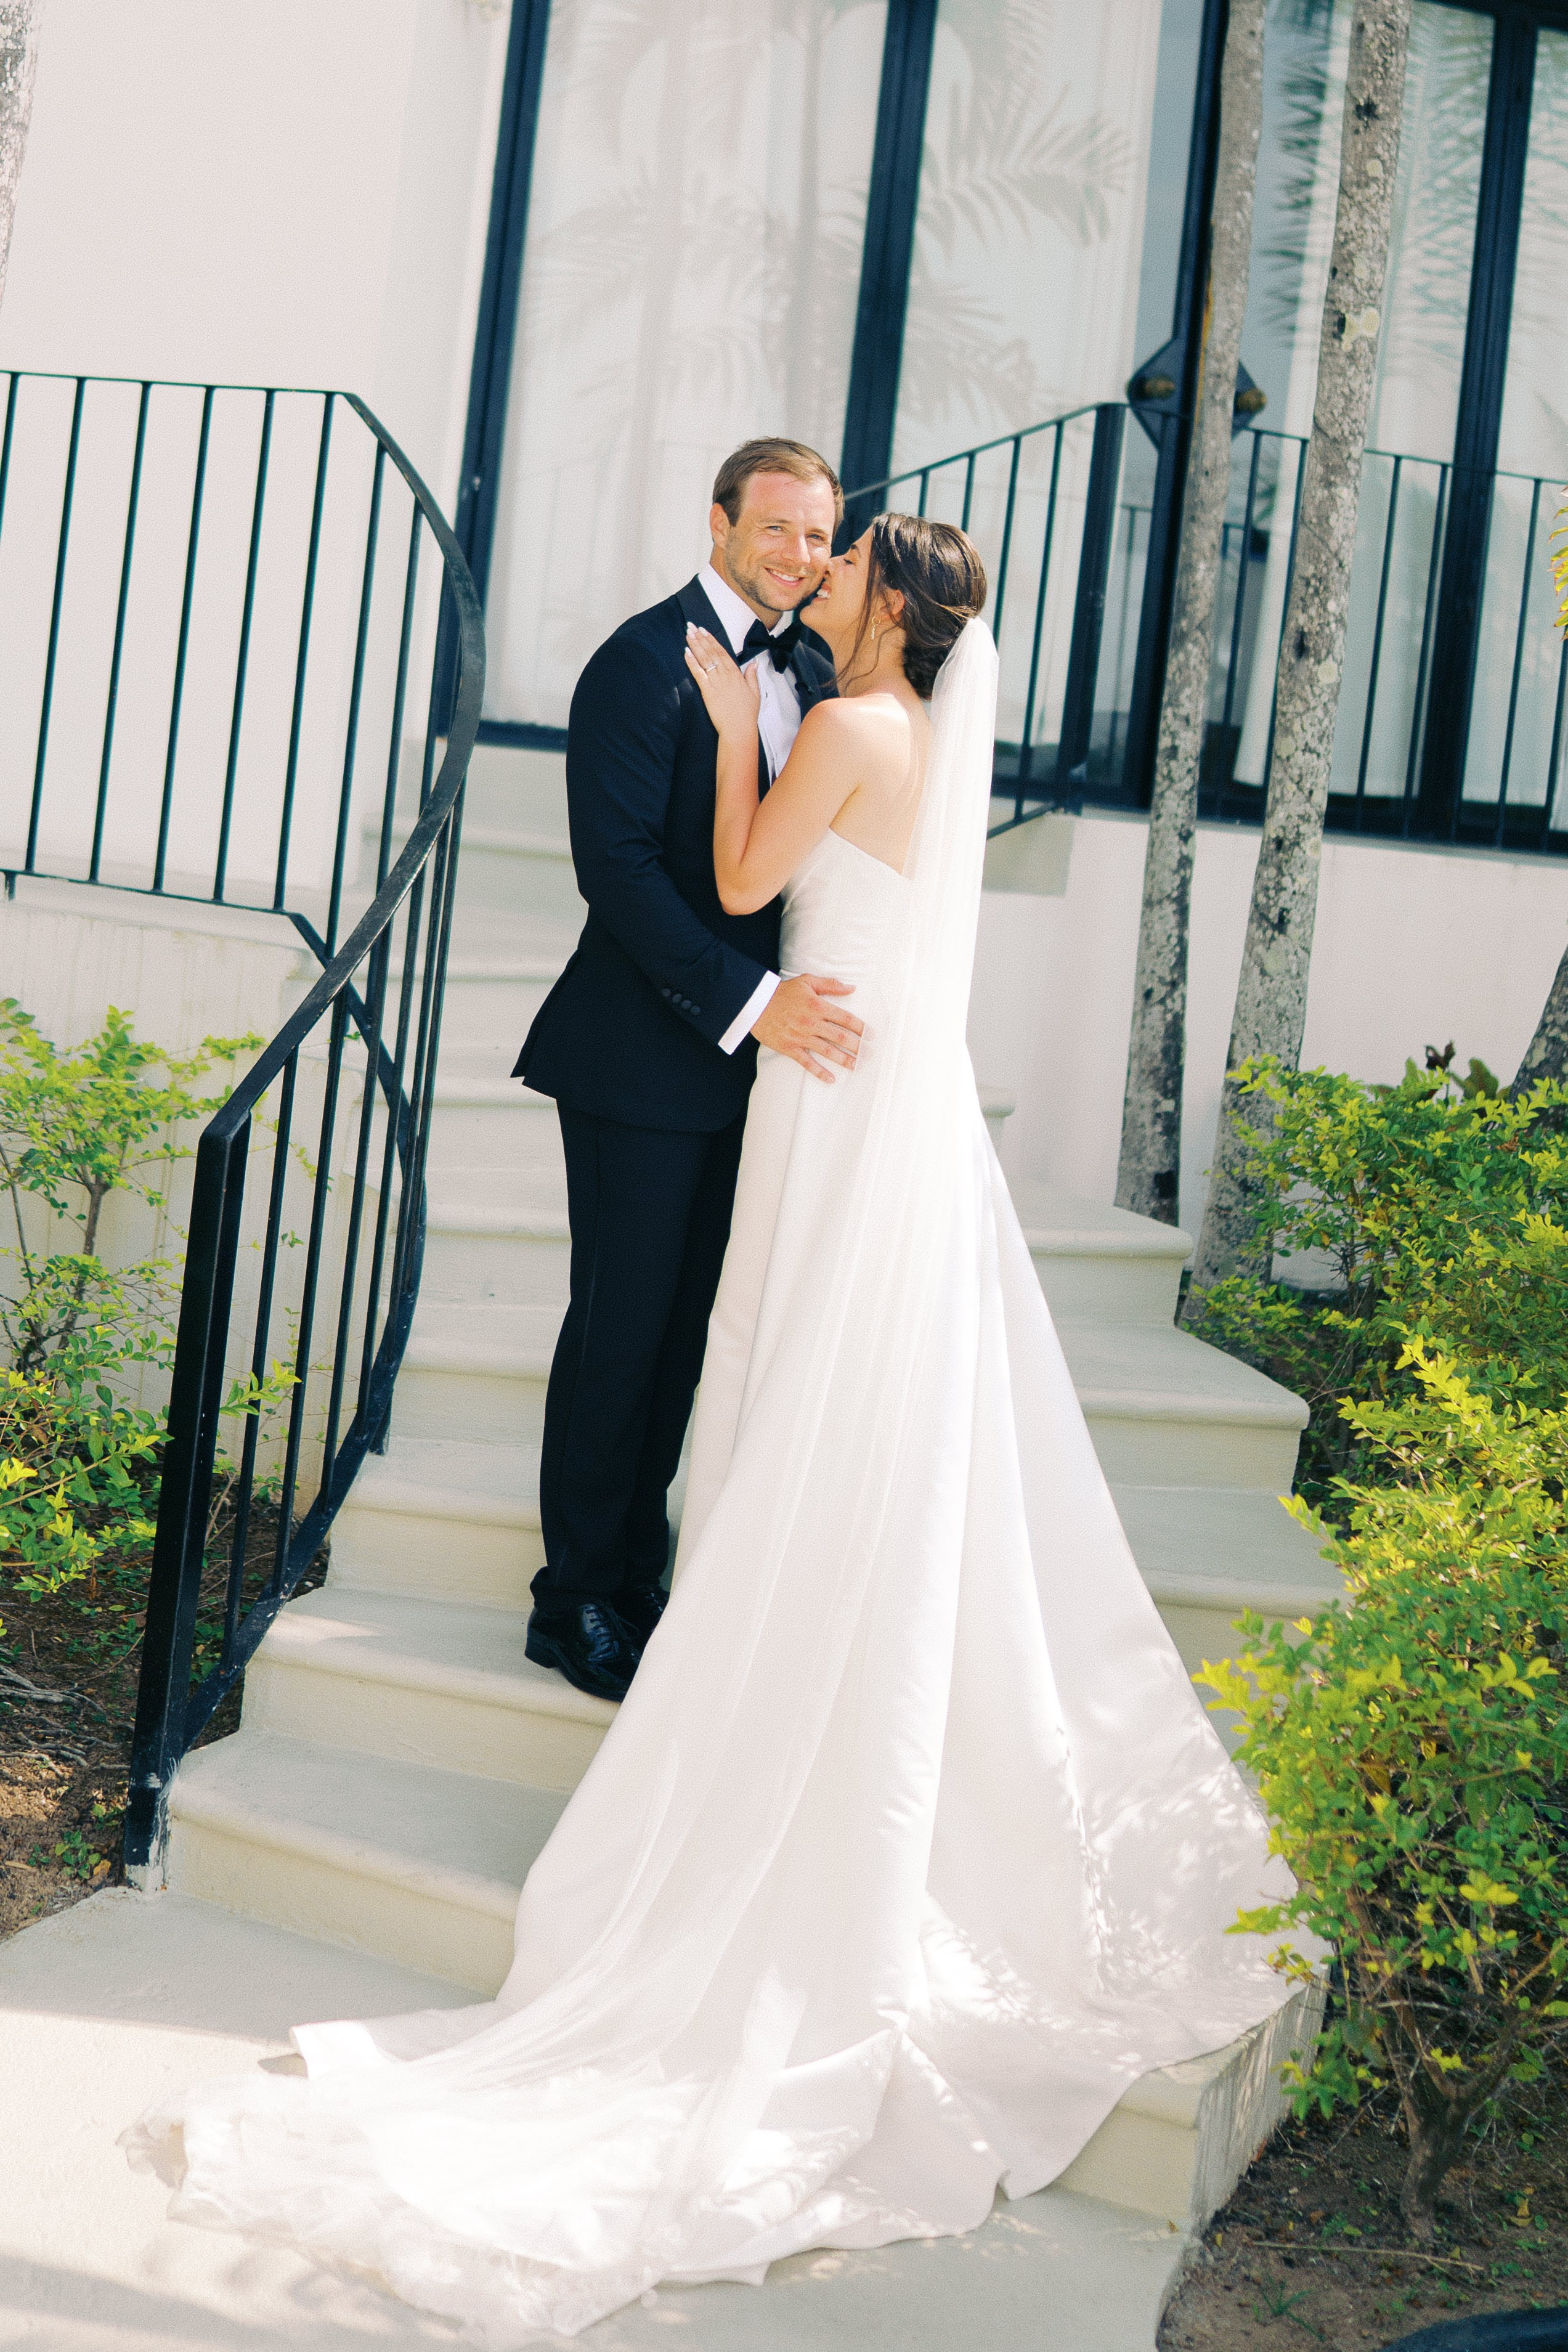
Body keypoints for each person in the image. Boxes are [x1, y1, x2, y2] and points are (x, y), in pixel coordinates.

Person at [128, 513, 1298, 2347]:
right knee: (827, 1373)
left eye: (839, 565)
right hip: (874, 1088)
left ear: (890, 604)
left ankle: (753, 1629)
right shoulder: (911, 732)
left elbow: (750, 868)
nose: (810, 576)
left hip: (825, 1090)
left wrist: (743, 729)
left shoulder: (838, 723)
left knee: (787, 1363)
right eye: (797, 547)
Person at [514, 437, 861, 1704]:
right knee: (619, 1335)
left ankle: (634, 1572)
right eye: (775, 529)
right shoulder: (635, 661)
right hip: (634, 1062)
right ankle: (572, 1603)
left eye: (819, 535)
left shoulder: (814, 665)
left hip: (747, 1075)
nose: (798, 556)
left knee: (683, 1343)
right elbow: (619, 874)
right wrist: (755, 1004)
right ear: (719, 523)